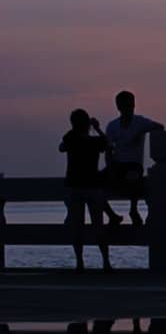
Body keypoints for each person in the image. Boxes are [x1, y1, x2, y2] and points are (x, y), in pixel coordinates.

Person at [59, 108, 114, 272]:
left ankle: (80, 263)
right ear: (87, 123)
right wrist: (97, 128)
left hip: (74, 186)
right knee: (99, 226)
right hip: (93, 186)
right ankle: (106, 262)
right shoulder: (94, 142)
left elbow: (61, 147)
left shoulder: (70, 138)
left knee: (77, 227)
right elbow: (109, 144)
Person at [103, 90, 164, 226]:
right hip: (117, 164)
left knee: (133, 178)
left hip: (134, 165)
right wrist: (110, 167)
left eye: (131, 106)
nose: (130, 109)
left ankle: (133, 209)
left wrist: (142, 132)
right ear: (119, 107)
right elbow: (108, 150)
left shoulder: (140, 122)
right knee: (93, 184)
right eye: (126, 106)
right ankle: (111, 215)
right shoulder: (112, 126)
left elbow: (160, 127)